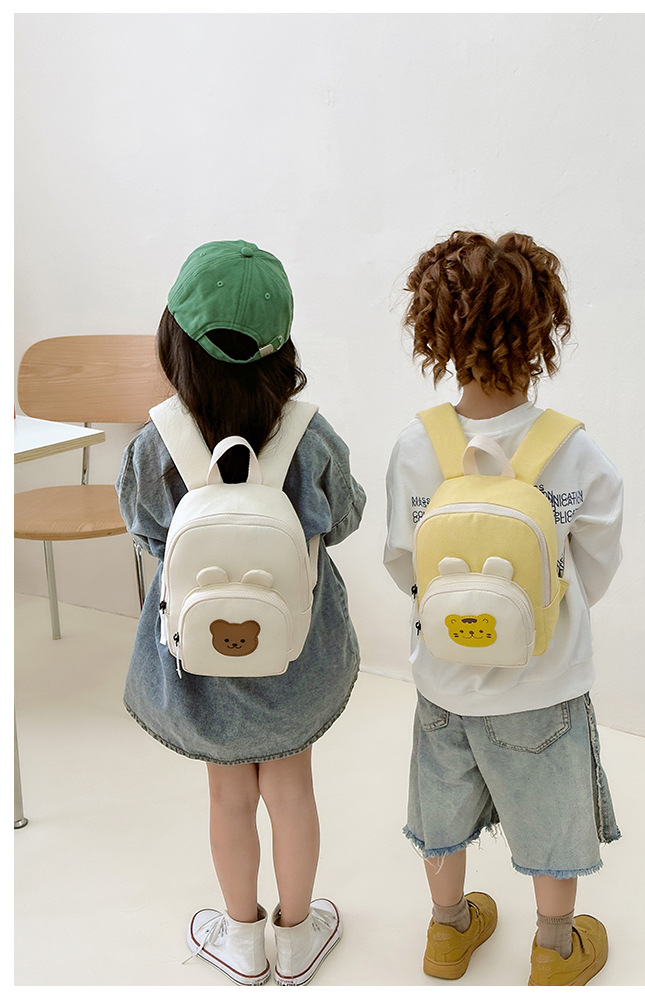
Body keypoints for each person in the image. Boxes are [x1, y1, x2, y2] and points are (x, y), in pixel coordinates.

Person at [117, 240, 365, 987]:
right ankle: (297, 935)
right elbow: (344, 518)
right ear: (281, 349)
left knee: (228, 795)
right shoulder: (310, 435)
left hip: (198, 663)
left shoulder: (154, 445)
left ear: (174, 340)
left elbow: (146, 534)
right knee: (292, 791)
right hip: (296, 653)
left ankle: (241, 937)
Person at [384, 231, 623, 987]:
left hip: (444, 680)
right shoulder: (572, 450)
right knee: (550, 808)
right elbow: (595, 563)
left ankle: (447, 933)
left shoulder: (416, 445)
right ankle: (554, 947)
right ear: (542, 331)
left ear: (434, 333)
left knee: (443, 808)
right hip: (543, 683)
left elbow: (402, 560)